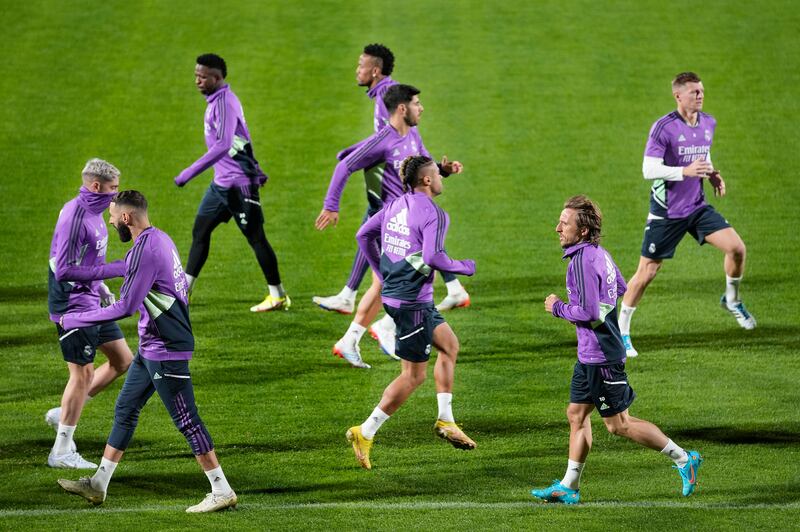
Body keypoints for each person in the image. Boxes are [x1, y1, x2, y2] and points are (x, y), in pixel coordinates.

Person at [56, 190, 237, 513]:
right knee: (125, 409)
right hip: (152, 345)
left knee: (187, 420)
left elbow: (126, 307)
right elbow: (124, 267)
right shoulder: (157, 240)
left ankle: (221, 489)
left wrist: (75, 317)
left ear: (127, 217)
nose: (111, 222)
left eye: (113, 216)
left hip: (166, 349)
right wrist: (77, 273)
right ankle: (98, 484)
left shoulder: (146, 250)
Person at [531, 195, 702, 504]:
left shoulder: (581, 262)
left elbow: (590, 313)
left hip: (601, 357)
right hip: (590, 355)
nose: (557, 228)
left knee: (618, 425)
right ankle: (569, 486)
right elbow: (621, 287)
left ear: (582, 231)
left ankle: (683, 458)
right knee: (576, 414)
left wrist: (557, 307)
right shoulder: (599, 254)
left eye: (564, 223)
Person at [313, 44, 470, 322]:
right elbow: (382, 140)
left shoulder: (388, 96)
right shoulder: (385, 99)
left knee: (398, 257)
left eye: (360, 65)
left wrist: (332, 200)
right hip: (395, 194)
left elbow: (387, 141)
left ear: (375, 70)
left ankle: (379, 318)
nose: (356, 70)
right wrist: (353, 151)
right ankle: (359, 305)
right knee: (387, 243)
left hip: (398, 197)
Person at [315, 84, 463, 368]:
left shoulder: (413, 134)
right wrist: (331, 205)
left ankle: (353, 338)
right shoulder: (384, 140)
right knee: (398, 280)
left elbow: (425, 168)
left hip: (411, 221)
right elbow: (344, 165)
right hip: (392, 222)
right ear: (402, 108)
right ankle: (382, 329)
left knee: (395, 281)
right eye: (417, 103)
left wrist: (443, 171)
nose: (422, 108)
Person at [346, 155, 476, 469]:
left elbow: (363, 234)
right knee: (413, 376)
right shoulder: (434, 213)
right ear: (428, 181)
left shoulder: (395, 204)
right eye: (438, 175)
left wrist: (381, 271)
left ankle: (446, 420)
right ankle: (364, 431)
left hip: (400, 296)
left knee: (449, 345)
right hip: (413, 303)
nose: (442, 179)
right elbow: (433, 256)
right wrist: (464, 268)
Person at [619, 71, 755, 358]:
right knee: (647, 273)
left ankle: (731, 299)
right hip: (667, 212)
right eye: (694, 92)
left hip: (696, 206)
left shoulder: (708, 123)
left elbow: (702, 155)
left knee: (737, 248)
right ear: (678, 95)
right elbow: (648, 169)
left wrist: (712, 173)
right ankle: (622, 331)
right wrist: (684, 172)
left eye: (702, 91)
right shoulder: (663, 128)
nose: (700, 95)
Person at [174, 53, 289, 312]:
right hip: (221, 185)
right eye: (196, 76)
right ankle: (185, 291)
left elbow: (224, 144)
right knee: (200, 232)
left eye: (202, 77)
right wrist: (257, 167)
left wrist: (188, 173)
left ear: (217, 78)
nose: (197, 81)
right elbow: (242, 139)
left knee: (256, 238)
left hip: (239, 185)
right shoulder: (215, 101)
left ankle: (278, 295)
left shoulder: (224, 103)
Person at [46, 158, 133, 469]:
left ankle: (64, 412)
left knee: (122, 360)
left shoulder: (96, 213)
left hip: (91, 298)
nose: (115, 195)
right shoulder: (75, 216)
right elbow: (64, 270)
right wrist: (117, 270)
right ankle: (61, 450)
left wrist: (102, 287)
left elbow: (89, 257)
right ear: (96, 186)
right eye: (113, 189)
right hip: (72, 305)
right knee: (81, 373)